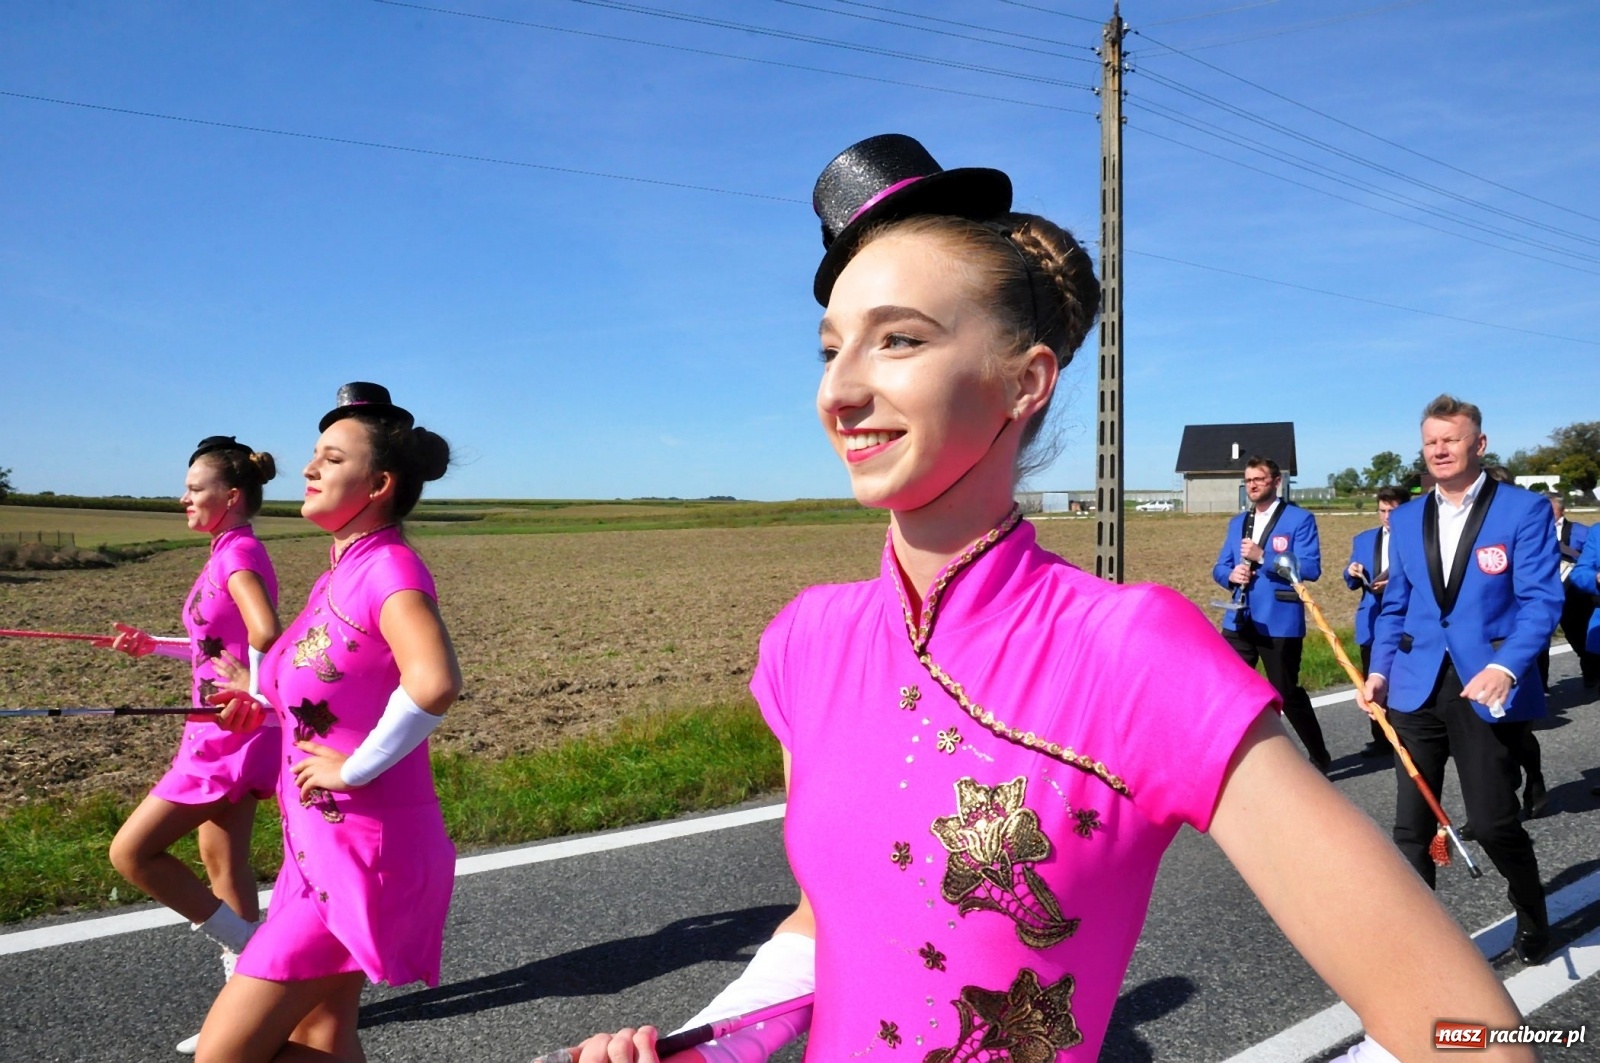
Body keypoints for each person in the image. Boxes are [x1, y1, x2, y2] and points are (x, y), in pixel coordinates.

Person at [576, 134, 1532, 1063]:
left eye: (898, 339)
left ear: (1024, 381)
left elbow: (1472, 1034)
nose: (840, 391)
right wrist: (705, 1046)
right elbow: (832, 920)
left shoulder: (1130, 653)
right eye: (831, 349)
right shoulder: (805, 643)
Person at [194, 383, 461, 1063]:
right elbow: (334, 687)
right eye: (316, 455)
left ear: (379, 484)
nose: (310, 468)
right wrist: (261, 701)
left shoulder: (390, 569)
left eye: (332, 459)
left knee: (223, 1054)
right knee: (321, 1037)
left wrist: (355, 768)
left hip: (363, 853)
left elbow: (434, 681)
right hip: (312, 849)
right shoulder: (339, 573)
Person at [1364, 395, 1564, 967]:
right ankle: (1420, 945)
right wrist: (1379, 671)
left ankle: (1531, 913)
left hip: (1486, 686)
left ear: (1479, 443)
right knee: (1411, 828)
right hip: (1415, 686)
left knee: (1494, 823)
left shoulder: (1522, 510)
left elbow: (1541, 601)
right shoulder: (1406, 518)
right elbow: (1396, 606)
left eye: (1450, 439)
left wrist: (1506, 667)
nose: (1439, 450)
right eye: (1430, 441)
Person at [103, 435, 281, 1056]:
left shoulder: (239, 554)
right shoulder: (226, 550)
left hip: (228, 737)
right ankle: (250, 1014)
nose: (183, 498)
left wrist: (254, 689)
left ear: (229, 496)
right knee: (222, 863)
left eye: (194, 489)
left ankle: (258, 956)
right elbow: (217, 649)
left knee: (132, 853)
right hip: (217, 729)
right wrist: (153, 646)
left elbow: (266, 632)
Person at [1212, 456, 1331, 771]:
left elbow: (1311, 568)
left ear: (1276, 482)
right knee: (1228, 689)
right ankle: (1232, 762)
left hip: (1279, 620)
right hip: (1239, 619)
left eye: (1258, 479)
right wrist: (1230, 575)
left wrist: (1264, 557)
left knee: (1286, 693)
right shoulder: (1238, 522)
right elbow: (1219, 566)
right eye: (1248, 480)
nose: (1252, 485)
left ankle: (1319, 756)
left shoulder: (1299, 519)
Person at [1345, 486, 1406, 758]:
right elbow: (1349, 581)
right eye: (1382, 510)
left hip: (1405, 618)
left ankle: (1406, 735)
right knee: (1372, 678)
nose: (1386, 516)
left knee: (1400, 679)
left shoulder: (1413, 538)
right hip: (1372, 619)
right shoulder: (1364, 539)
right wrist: (1352, 572)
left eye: (1392, 511)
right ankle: (1380, 738)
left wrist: (1394, 584)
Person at [1541, 493, 1597, 693]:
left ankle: (1591, 670)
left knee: (1578, 634)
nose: (1547, 513)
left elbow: (1589, 560)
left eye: (1551, 508)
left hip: (1573, 593)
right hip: (1543, 592)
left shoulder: (1581, 531)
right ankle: (1541, 684)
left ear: (1562, 510)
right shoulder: (1532, 529)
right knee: (1539, 638)